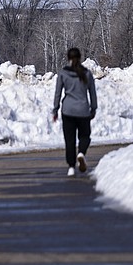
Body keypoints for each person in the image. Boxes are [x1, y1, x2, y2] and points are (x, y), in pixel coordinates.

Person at [53, 47, 98, 177]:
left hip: (67, 111)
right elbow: (92, 93)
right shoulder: (87, 73)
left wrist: (55, 110)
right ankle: (81, 153)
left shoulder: (62, 73)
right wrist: (93, 108)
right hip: (83, 110)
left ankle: (71, 167)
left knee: (70, 140)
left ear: (68, 58)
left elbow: (57, 93)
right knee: (85, 136)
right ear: (80, 57)